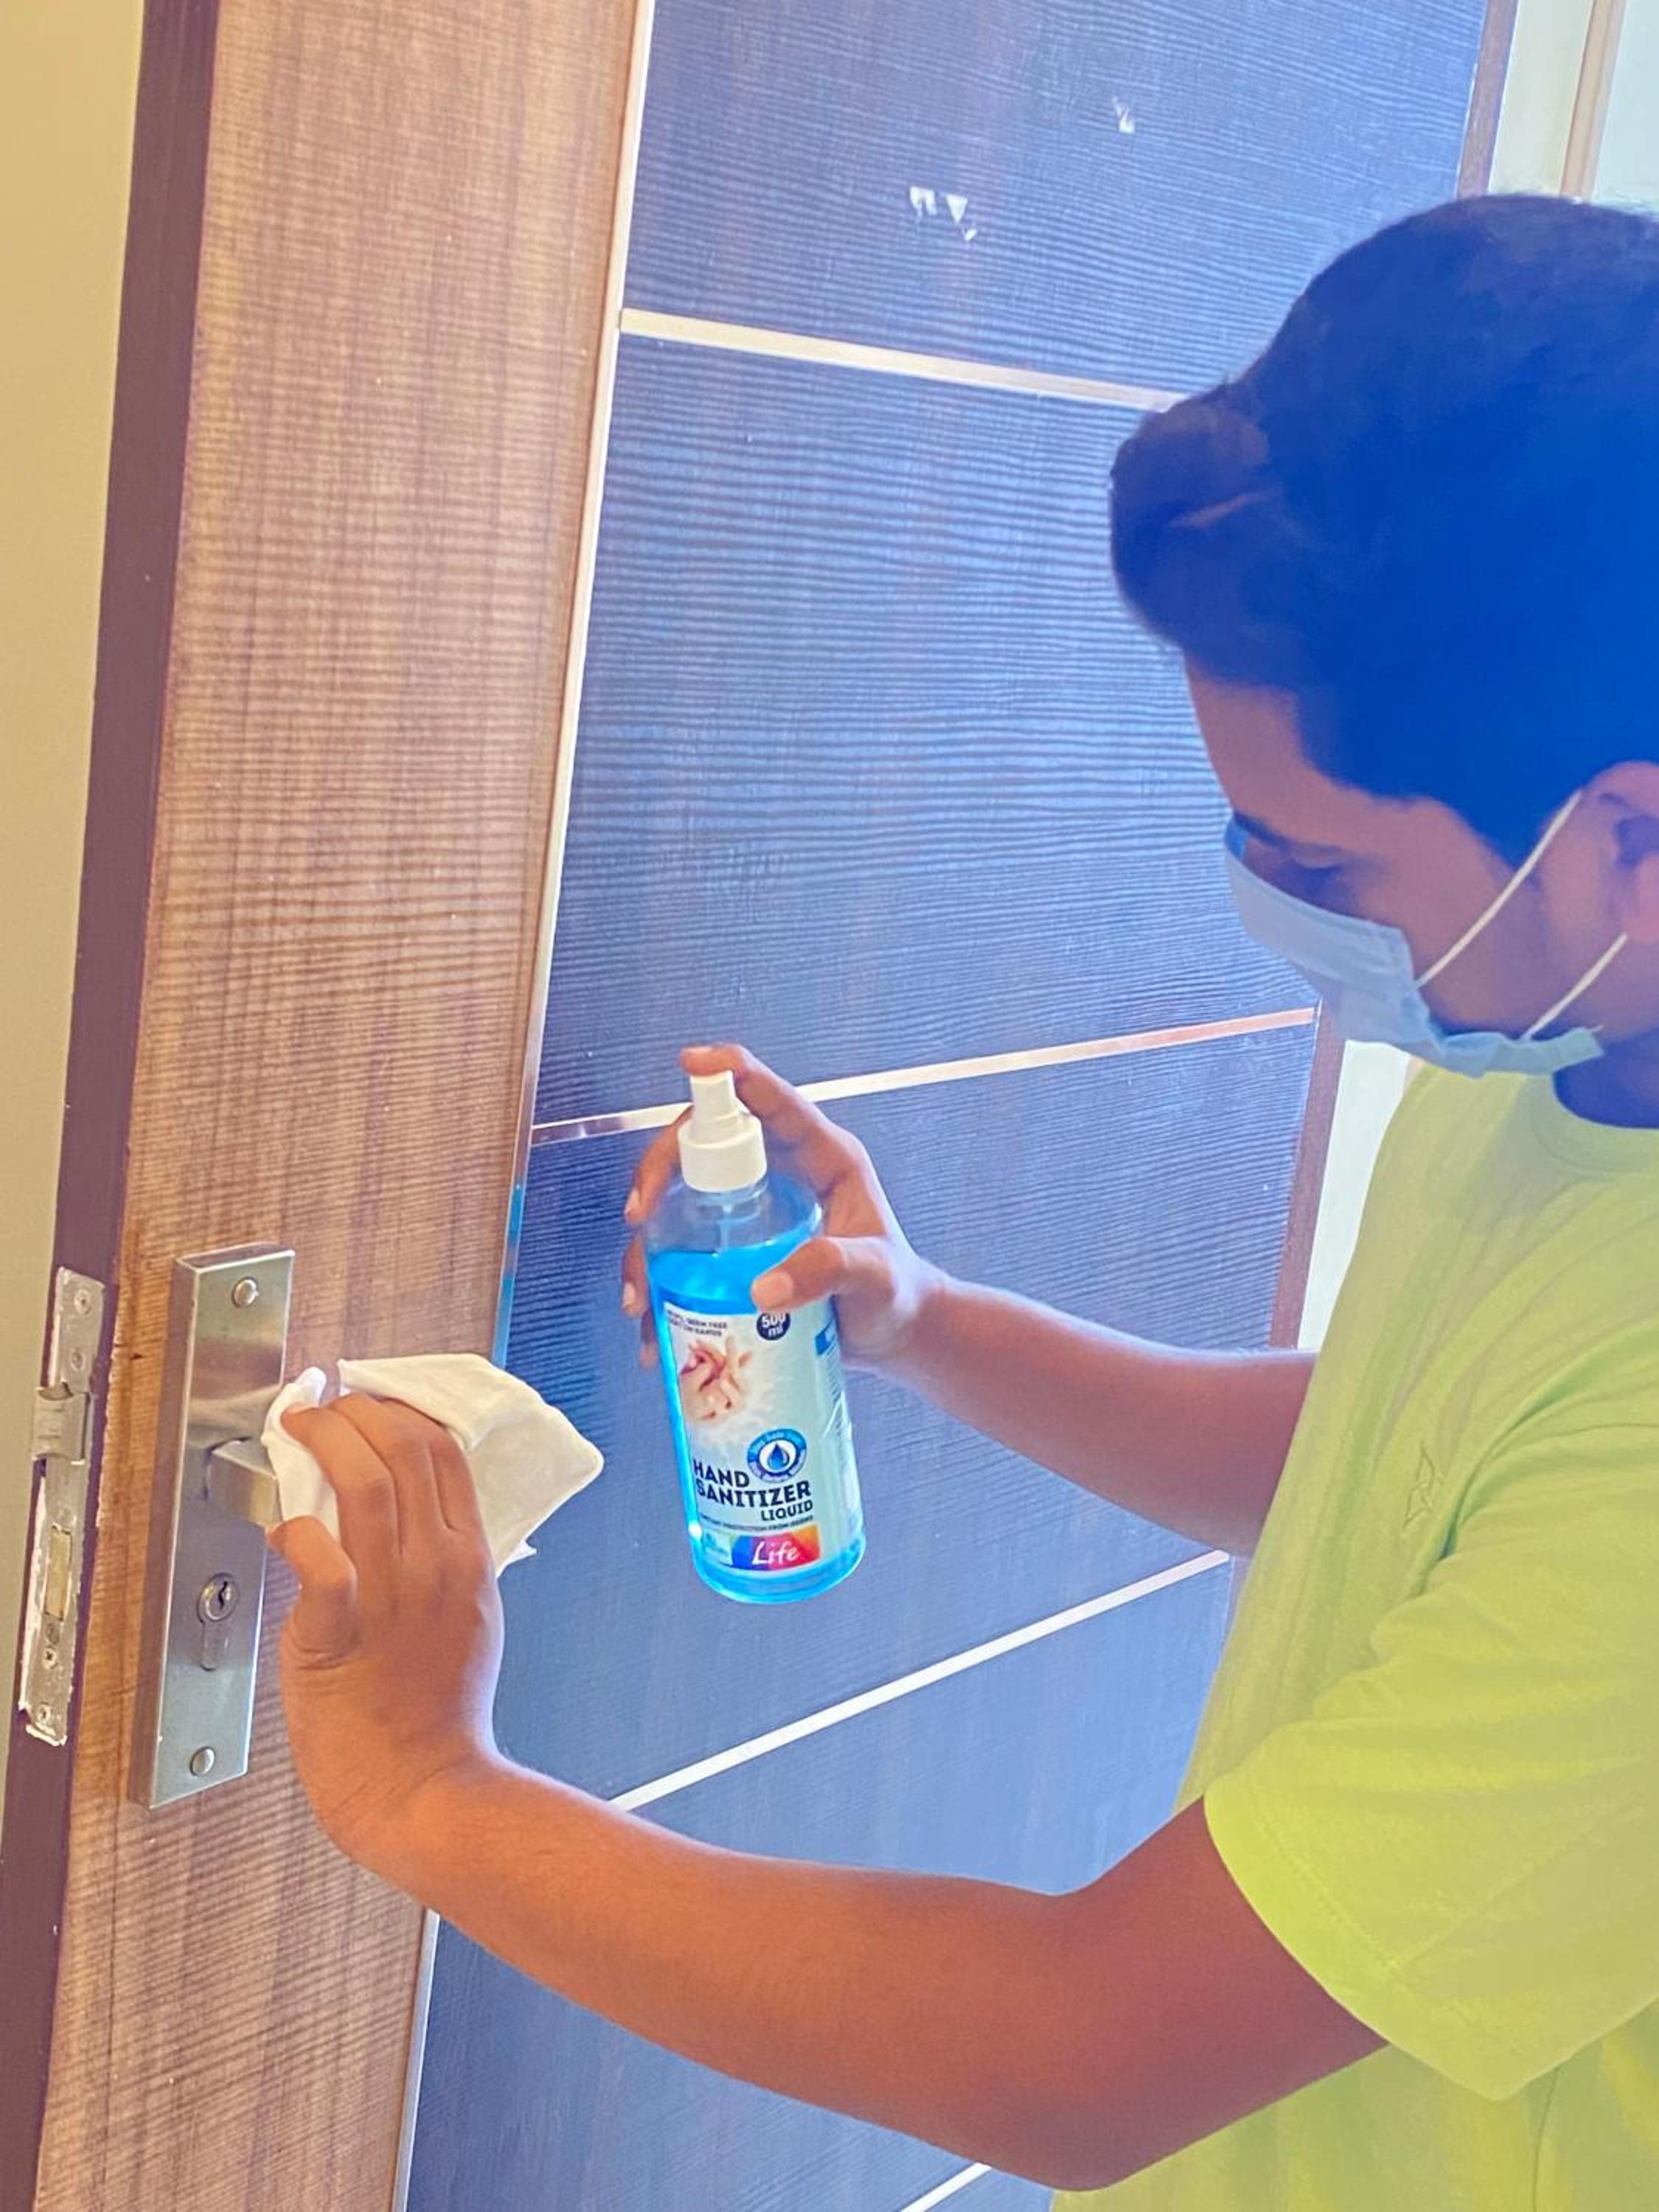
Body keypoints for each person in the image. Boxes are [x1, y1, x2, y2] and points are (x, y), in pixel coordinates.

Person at [270, 196, 1659, 2206]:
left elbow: (1079, 2055)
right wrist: (926, 1324)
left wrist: (427, 1795)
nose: (1275, 915)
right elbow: (1406, 1458)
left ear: (1625, 838)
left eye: (1323, 870)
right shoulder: (1567, 1045)